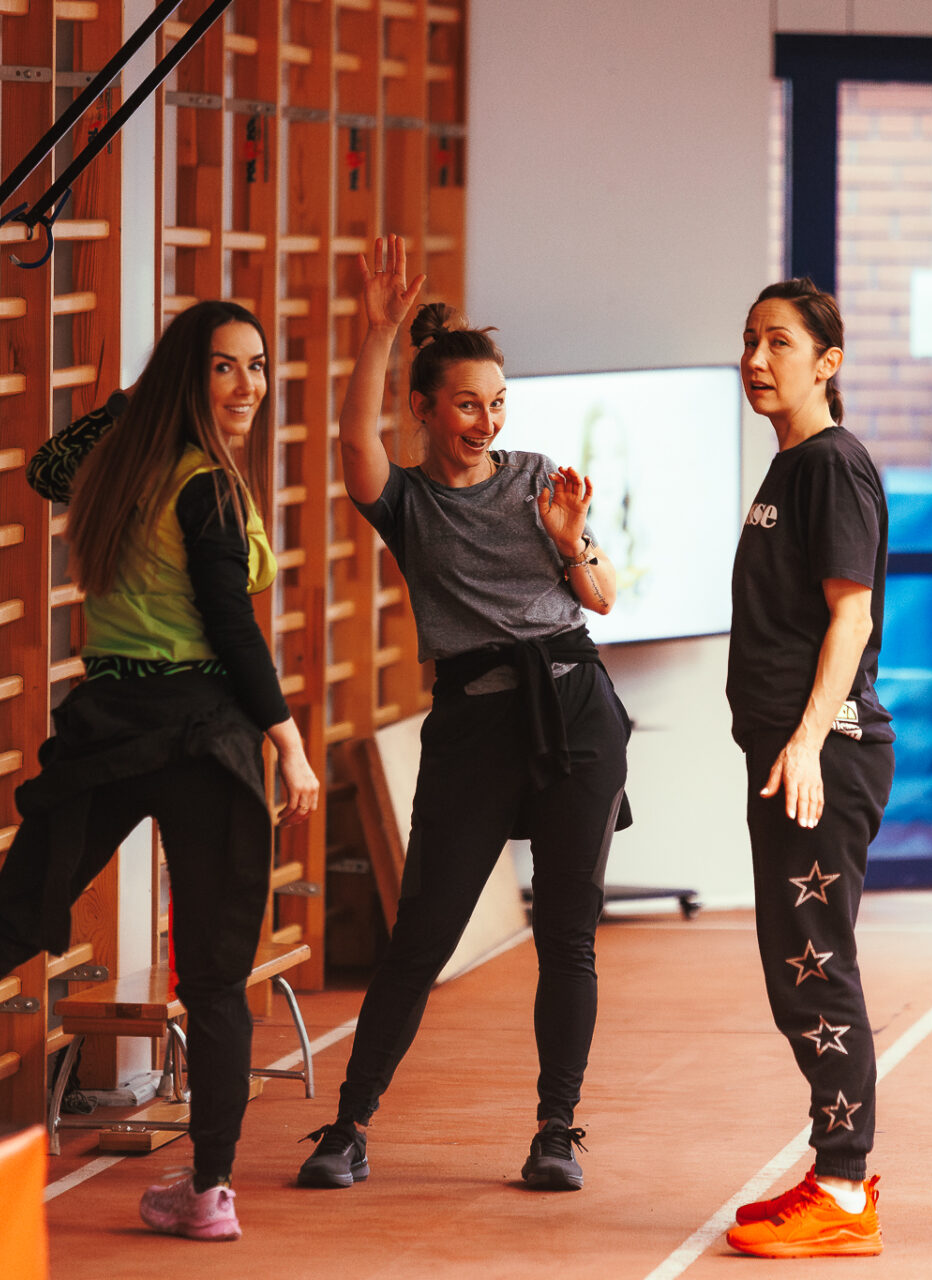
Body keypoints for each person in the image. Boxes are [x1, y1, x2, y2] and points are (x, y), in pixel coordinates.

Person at [0, 300, 320, 1243]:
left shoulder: (118, 468)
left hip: (112, 728)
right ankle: (209, 1191)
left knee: (14, 920)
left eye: (256, 366)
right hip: (199, 734)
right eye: (223, 366)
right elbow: (233, 627)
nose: (247, 385)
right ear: (186, 378)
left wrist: (126, 406)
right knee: (214, 977)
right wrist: (287, 740)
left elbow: (47, 465)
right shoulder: (205, 486)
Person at [296, 234, 632, 1193]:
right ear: (425, 409)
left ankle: (557, 1131)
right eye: (467, 404)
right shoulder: (405, 501)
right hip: (473, 724)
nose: (486, 420)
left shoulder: (535, 477)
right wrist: (378, 331)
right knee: (421, 938)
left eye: (497, 402)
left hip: (574, 709)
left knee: (567, 934)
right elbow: (352, 446)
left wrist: (570, 542)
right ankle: (349, 1127)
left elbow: (602, 597)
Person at [721, 279, 893, 1259]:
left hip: (820, 755)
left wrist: (805, 739)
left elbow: (850, 615)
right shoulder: (793, 465)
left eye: (778, 342)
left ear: (827, 361)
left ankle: (843, 1188)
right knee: (801, 966)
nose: (756, 358)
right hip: (796, 752)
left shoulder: (830, 464)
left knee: (816, 967)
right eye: (750, 339)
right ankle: (836, 1169)